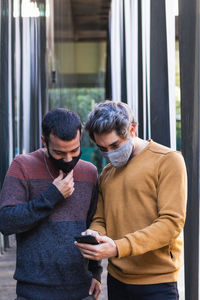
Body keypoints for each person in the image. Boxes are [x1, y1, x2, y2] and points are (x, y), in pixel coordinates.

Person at [75, 100, 187, 300]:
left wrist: (118, 248)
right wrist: (94, 233)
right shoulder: (107, 173)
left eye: (114, 145)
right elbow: (101, 219)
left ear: (132, 129)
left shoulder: (168, 161)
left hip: (157, 283)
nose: (109, 154)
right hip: (117, 280)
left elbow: (171, 224)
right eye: (103, 149)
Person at [0, 108, 102, 300]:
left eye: (75, 150)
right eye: (59, 152)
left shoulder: (90, 173)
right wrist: (52, 196)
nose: (68, 159)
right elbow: (6, 222)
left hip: (82, 291)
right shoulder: (22, 166)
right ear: (44, 141)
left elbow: (93, 225)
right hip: (33, 293)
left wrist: (96, 273)